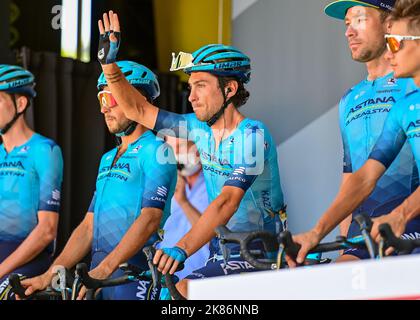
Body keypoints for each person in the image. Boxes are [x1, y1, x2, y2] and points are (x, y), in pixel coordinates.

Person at [96, 11, 287, 298]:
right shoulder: (198, 129)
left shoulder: (253, 135)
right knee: (166, 293)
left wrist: (182, 247)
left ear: (230, 89)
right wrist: (109, 66)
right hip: (220, 252)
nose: (191, 96)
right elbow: (139, 111)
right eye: (190, 87)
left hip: (260, 255)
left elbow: (226, 202)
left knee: (182, 292)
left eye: (200, 86)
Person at [19, 61, 177, 300]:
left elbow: (150, 219)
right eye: (101, 100)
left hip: (132, 275)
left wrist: (104, 269)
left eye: (111, 99)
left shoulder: (157, 151)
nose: (104, 109)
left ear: (137, 100)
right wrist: (50, 274)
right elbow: (88, 226)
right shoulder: (108, 158)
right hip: (99, 275)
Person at [288, 0, 420, 266]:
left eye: (359, 20)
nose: (348, 31)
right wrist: (318, 232)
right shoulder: (400, 108)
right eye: (347, 24)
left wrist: (401, 214)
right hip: (378, 231)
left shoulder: (408, 92)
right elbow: (361, 178)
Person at [0, 64, 63, 300]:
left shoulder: (44, 150)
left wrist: (1, 270)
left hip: (26, 261)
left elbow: (47, 230)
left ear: (21, 104)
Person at [157, 136, 209, 280]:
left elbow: (214, 232)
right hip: (165, 272)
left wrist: (184, 202)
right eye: (172, 150)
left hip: (199, 273)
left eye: (180, 147)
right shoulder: (169, 185)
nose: (176, 154)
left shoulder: (213, 185)